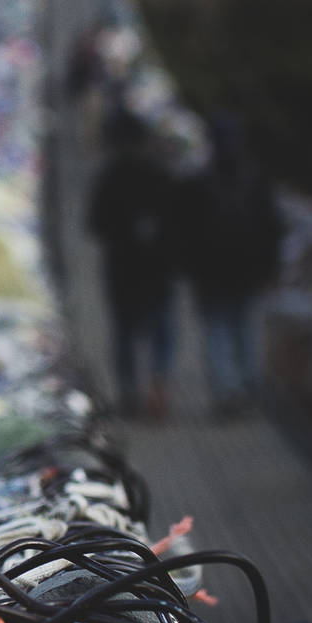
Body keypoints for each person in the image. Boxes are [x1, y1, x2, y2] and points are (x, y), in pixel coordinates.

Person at [178, 114, 281, 418]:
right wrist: (270, 268)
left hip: (211, 273)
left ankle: (226, 391)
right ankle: (247, 388)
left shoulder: (199, 181)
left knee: (217, 332)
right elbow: (272, 228)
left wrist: (190, 268)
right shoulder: (256, 178)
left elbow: (188, 231)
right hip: (248, 270)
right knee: (244, 330)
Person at [88, 110, 183, 419]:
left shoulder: (110, 176)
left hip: (123, 269)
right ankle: (158, 384)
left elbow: (95, 223)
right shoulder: (161, 174)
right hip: (159, 270)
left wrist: (122, 233)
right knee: (161, 334)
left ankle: (129, 391)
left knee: (124, 333)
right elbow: (179, 222)